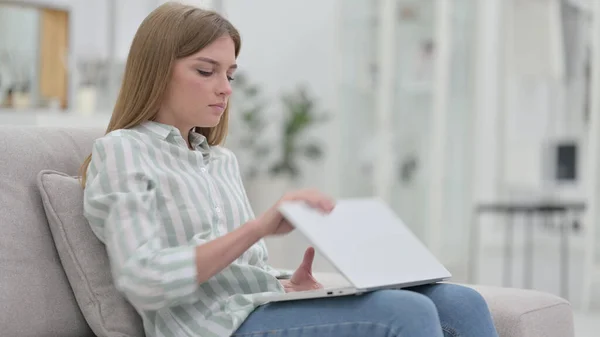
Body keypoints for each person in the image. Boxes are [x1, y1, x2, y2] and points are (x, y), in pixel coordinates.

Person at [80, 3, 499, 337]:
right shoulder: (122, 152)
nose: (225, 87)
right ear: (156, 70)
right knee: (404, 313)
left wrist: (283, 285)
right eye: (206, 71)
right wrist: (258, 228)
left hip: (258, 306)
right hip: (213, 327)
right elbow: (143, 279)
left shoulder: (220, 160)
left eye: (230, 73)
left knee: (462, 303)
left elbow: (242, 270)